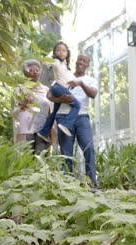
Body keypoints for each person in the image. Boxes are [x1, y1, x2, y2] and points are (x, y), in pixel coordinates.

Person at [48, 54, 98, 188]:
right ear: (76, 62)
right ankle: (68, 186)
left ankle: (92, 184)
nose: (81, 62)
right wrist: (60, 100)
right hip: (63, 116)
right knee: (66, 152)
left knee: (89, 149)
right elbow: (49, 95)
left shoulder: (90, 79)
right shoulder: (65, 74)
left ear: (88, 65)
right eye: (79, 59)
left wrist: (80, 83)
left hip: (82, 117)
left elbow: (93, 94)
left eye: (85, 60)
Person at [38, 41, 80, 141]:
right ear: (54, 52)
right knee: (77, 105)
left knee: (54, 112)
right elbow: (42, 61)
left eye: (63, 50)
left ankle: (43, 132)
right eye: (58, 50)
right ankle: (66, 124)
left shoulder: (66, 66)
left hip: (62, 88)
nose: (61, 52)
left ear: (67, 53)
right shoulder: (55, 62)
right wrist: (51, 52)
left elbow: (67, 80)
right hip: (58, 88)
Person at [12, 59, 53, 153]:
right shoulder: (20, 89)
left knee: (42, 159)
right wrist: (23, 104)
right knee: (26, 159)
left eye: (37, 70)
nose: (35, 72)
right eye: (31, 70)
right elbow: (14, 112)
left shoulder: (45, 89)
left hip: (43, 130)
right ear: (25, 73)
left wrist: (51, 129)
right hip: (25, 129)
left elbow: (50, 110)